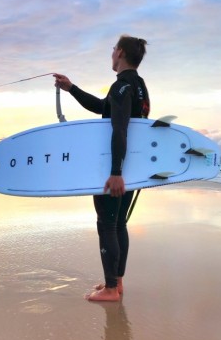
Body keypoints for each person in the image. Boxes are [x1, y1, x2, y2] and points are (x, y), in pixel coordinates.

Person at [53, 34, 150, 302]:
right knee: (118, 224)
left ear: (120, 53)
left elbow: (119, 128)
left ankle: (110, 290)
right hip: (133, 168)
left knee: (107, 225)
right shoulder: (138, 87)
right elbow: (102, 108)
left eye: (113, 50)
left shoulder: (121, 87)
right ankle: (116, 284)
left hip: (116, 169)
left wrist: (115, 172)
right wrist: (71, 88)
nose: (111, 54)